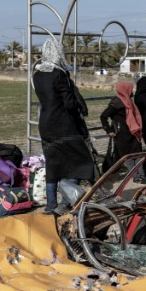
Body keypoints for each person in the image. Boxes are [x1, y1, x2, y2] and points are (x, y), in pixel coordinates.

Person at [32, 38, 95, 215]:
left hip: (45, 123)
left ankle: (50, 205)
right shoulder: (59, 74)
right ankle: (66, 201)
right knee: (81, 161)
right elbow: (68, 103)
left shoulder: (37, 74)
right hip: (63, 124)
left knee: (53, 163)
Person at [100, 81, 143, 161]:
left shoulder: (129, 102)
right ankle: (133, 172)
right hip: (121, 134)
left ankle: (138, 172)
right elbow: (103, 116)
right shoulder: (116, 103)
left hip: (132, 132)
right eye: (131, 89)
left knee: (136, 155)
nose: (132, 92)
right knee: (126, 156)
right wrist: (109, 130)